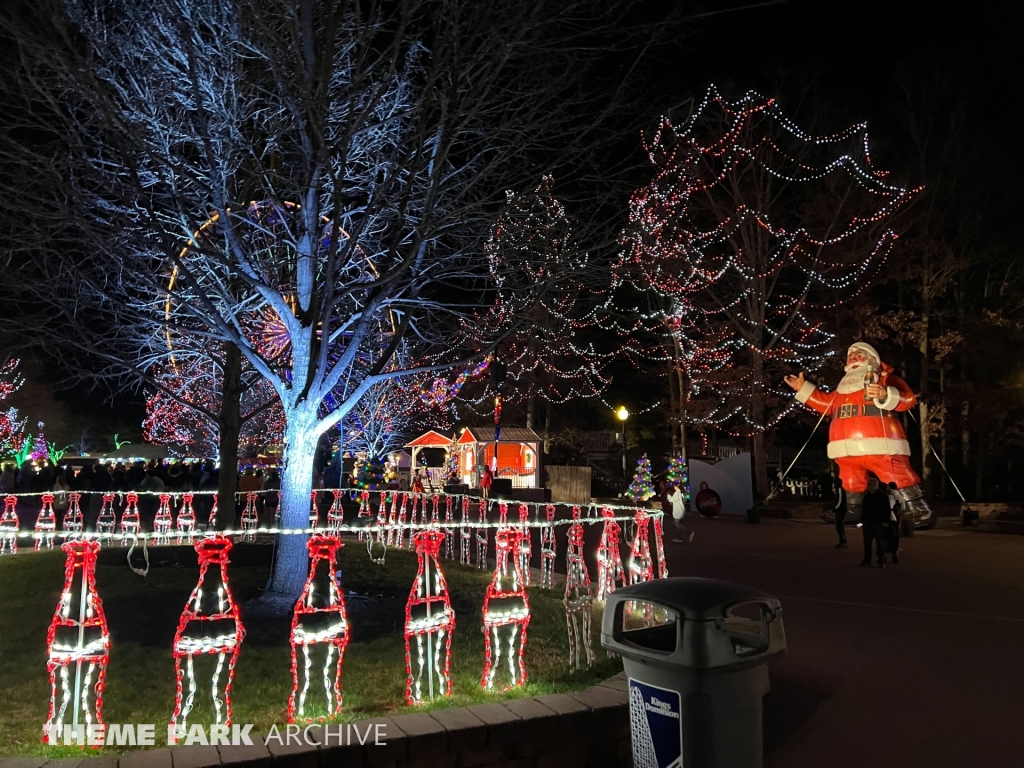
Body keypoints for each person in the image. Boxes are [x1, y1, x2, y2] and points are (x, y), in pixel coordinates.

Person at [784, 341, 935, 528]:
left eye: (859, 355)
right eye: (850, 356)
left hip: (880, 442)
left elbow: (908, 399)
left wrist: (885, 394)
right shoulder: (841, 389)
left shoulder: (884, 379)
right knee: (850, 479)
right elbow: (826, 404)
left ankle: (918, 510)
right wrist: (803, 388)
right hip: (845, 447)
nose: (853, 358)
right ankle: (852, 512)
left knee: (896, 473)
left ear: (872, 359)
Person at [860, 476, 889, 568]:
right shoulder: (867, 496)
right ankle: (867, 559)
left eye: (869, 484)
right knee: (867, 542)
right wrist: (862, 521)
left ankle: (881, 559)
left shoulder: (882, 496)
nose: (868, 486)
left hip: (878, 522)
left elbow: (887, 509)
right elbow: (864, 510)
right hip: (868, 522)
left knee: (880, 542)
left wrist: (886, 520)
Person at [660, 479, 693, 543]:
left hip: (678, 511)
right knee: (680, 524)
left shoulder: (677, 492)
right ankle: (679, 537)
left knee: (677, 524)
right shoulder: (682, 493)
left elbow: (671, 500)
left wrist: (668, 496)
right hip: (682, 510)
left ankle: (689, 533)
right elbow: (684, 500)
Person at [887, 481, 902, 564]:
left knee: (887, 534)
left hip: (890, 517)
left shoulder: (889, 496)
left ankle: (888, 550)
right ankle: (894, 550)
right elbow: (902, 507)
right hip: (895, 516)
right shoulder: (899, 495)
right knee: (895, 534)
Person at [831, 475, 847, 548]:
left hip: (841, 511)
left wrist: (835, 508)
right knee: (839, 526)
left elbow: (840, 500)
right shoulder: (838, 490)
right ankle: (843, 540)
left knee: (839, 526)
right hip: (840, 510)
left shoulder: (840, 489)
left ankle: (843, 541)